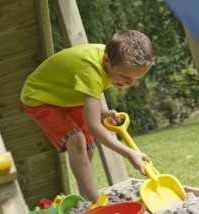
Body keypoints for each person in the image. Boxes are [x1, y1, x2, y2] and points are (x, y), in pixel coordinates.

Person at [20, 30, 154, 203]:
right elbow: (94, 127)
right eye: (125, 77)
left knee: (89, 147)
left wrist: (102, 113)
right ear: (107, 60)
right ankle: (95, 198)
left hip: (67, 95)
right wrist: (129, 153)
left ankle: (86, 199)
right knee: (76, 140)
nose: (129, 84)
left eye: (135, 79)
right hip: (39, 98)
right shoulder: (90, 70)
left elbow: (93, 94)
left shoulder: (111, 59)